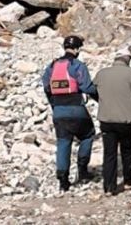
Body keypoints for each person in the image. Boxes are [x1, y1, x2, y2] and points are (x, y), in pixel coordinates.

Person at [41, 35, 98, 192]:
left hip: (59, 111)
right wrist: (100, 98)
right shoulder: (78, 65)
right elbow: (87, 87)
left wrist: (54, 104)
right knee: (87, 135)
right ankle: (82, 170)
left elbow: (46, 87)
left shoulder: (52, 66)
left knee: (63, 142)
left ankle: (63, 180)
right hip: (76, 109)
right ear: (78, 49)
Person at [93, 48, 131, 195]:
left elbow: (93, 90)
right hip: (126, 120)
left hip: (106, 119)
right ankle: (129, 181)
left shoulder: (101, 74)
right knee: (127, 151)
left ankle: (109, 187)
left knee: (109, 154)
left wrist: (102, 101)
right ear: (128, 59)